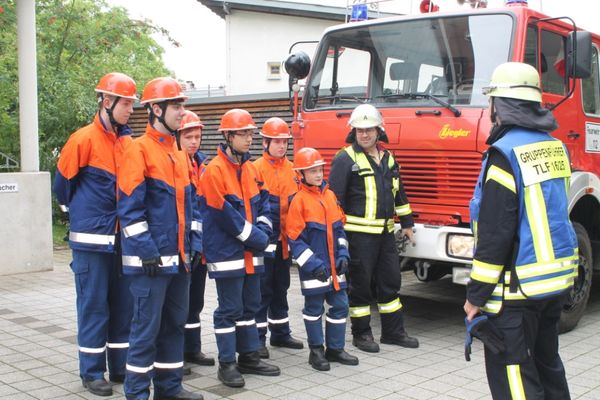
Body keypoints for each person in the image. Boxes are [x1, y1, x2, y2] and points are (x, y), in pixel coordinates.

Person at [464, 62, 577, 399]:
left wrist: (475, 296)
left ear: (501, 105)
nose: (488, 110)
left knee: (516, 380)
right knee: (547, 367)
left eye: (491, 102)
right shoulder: (554, 147)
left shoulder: (503, 155)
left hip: (515, 292)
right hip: (553, 284)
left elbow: (496, 233)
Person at [117, 77, 202, 400]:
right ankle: (137, 393)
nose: (182, 111)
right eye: (176, 105)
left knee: (174, 325)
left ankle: (169, 388)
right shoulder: (137, 150)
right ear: (155, 108)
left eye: (182, 105)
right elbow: (129, 209)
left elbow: (190, 207)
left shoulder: (179, 154)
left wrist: (194, 245)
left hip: (179, 261)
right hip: (150, 265)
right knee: (145, 331)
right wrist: (147, 251)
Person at [54, 72, 137, 397]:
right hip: (91, 243)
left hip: (122, 241)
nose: (131, 109)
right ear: (106, 101)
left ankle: (119, 367)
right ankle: (91, 372)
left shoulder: (128, 143)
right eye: (126, 103)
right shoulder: (82, 139)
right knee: (93, 306)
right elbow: (62, 188)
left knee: (122, 306)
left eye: (132, 103)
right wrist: (82, 218)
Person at [329, 104, 419, 353]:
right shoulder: (345, 159)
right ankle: (362, 334)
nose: (365, 135)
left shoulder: (389, 158)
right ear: (353, 132)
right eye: (360, 130)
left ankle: (393, 332)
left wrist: (408, 224)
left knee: (390, 281)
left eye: (369, 130)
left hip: (385, 235)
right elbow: (334, 200)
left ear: (379, 131)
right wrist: (338, 236)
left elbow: (399, 193)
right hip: (358, 237)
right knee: (360, 285)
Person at [201, 108, 280, 388]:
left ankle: (248, 356)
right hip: (228, 255)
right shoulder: (214, 171)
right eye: (243, 134)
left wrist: (265, 229)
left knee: (250, 307)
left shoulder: (250, 169)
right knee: (229, 309)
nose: (249, 139)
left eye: (250, 133)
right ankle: (227, 363)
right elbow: (226, 217)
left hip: (250, 254)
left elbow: (263, 204)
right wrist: (258, 238)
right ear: (228, 135)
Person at [286, 147, 358, 371]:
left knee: (340, 306)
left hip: (335, 269)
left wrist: (344, 254)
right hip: (314, 270)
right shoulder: (298, 201)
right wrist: (314, 266)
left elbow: (339, 232)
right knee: (314, 309)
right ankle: (316, 351)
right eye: (312, 171)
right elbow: (295, 241)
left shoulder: (330, 196)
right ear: (301, 174)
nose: (318, 175)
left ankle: (335, 349)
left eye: (320, 170)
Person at [253, 117, 304, 358]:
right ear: (265, 142)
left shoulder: (293, 170)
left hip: (285, 242)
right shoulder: (256, 169)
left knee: (281, 287)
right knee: (262, 291)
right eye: (277, 142)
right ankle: (258, 338)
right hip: (265, 242)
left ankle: (281, 333)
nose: (282, 146)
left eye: (285, 142)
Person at [177, 110, 215, 368]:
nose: (194, 141)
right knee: (178, 304)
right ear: (177, 136)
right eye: (189, 136)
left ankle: (192, 349)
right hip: (181, 246)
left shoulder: (202, 166)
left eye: (197, 136)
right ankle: (175, 354)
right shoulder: (174, 164)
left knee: (195, 302)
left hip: (200, 246)